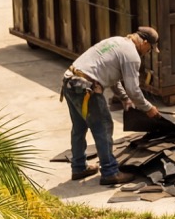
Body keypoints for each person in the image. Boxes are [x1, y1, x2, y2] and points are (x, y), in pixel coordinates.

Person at [62, 27, 161, 185]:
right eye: (150, 48)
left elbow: (113, 77)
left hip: (70, 82)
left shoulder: (117, 41)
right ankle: (110, 172)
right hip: (87, 89)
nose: (148, 52)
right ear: (144, 42)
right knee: (104, 127)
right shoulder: (132, 55)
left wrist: (124, 98)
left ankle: (79, 167)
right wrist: (148, 108)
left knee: (79, 127)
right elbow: (134, 89)